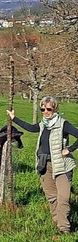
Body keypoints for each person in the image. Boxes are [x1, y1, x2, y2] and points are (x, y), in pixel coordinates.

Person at [7, 96, 78, 234]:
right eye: (42, 109)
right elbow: (31, 128)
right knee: (52, 198)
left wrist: (69, 149)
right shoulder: (43, 124)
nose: (45, 111)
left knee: (63, 197)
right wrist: (14, 118)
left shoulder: (63, 124)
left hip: (62, 166)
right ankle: (58, 224)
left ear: (55, 109)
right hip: (44, 164)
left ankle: (65, 229)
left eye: (49, 109)